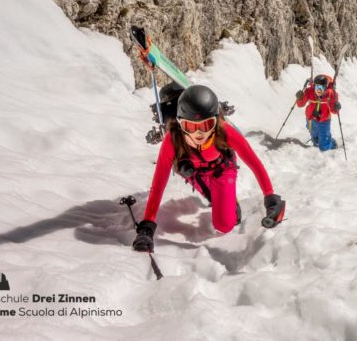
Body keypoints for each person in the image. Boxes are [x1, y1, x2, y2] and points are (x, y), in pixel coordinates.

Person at [132, 85, 285, 253]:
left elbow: (255, 163)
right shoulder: (173, 139)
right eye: (190, 126)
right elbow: (159, 182)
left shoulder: (225, 132)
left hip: (222, 170)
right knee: (210, 193)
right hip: (193, 171)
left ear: (215, 121)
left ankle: (229, 200)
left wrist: (271, 198)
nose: (199, 132)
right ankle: (215, 194)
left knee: (225, 225)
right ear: (180, 123)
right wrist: (147, 224)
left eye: (206, 125)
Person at [295, 74, 341, 151]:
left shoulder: (330, 94)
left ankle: (332, 144)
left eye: (321, 87)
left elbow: (334, 110)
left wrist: (336, 107)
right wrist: (299, 98)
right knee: (315, 139)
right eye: (317, 87)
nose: (318, 90)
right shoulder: (309, 91)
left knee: (324, 146)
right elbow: (301, 104)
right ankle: (316, 146)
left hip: (324, 120)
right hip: (310, 119)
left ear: (325, 87)